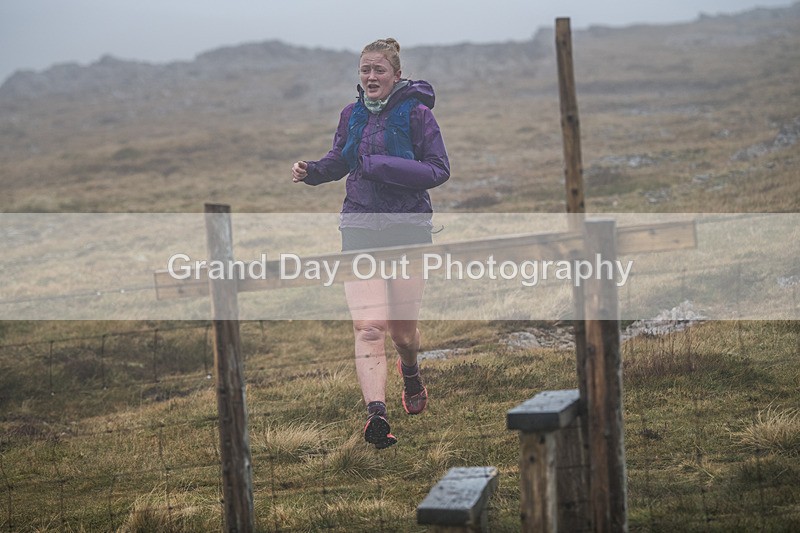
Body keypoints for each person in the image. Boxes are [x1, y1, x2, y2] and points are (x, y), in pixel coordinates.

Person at [291, 38, 450, 449]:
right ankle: (376, 415)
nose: (371, 76)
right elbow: (342, 159)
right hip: (358, 225)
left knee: (403, 333)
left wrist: (381, 166)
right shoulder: (352, 114)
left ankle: (410, 371)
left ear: (396, 75)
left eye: (379, 70)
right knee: (368, 327)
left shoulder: (417, 113)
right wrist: (312, 171)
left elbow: (438, 169)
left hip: (407, 228)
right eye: (365, 69)